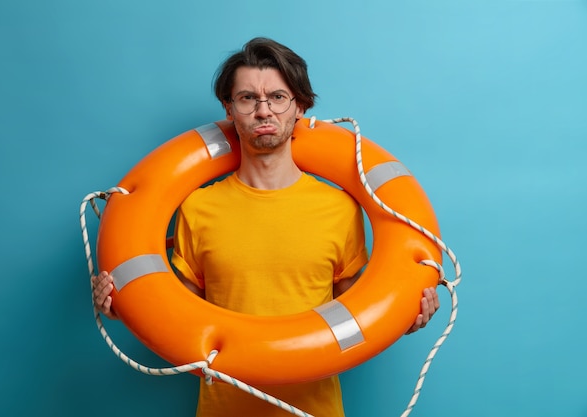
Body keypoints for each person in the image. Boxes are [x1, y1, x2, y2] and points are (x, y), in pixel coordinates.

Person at [92, 37, 440, 417]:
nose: (263, 111)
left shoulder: (340, 209)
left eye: (277, 97)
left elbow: (361, 308)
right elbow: (176, 315)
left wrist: (403, 314)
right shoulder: (197, 208)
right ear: (229, 109)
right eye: (247, 99)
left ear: (299, 107)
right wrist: (123, 306)